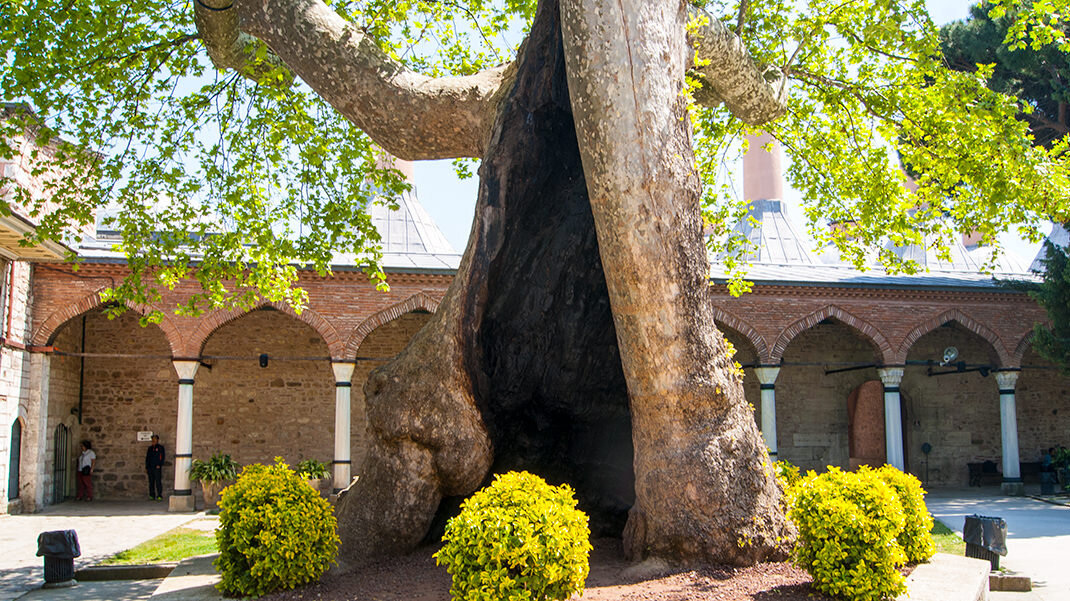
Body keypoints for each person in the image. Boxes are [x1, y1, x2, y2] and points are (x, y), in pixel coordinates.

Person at [145, 434, 165, 501]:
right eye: (153, 439)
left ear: (157, 440)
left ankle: (159, 495)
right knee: (151, 482)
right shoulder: (150, 448)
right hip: (150, 467)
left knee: (158, 481)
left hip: (157, 467)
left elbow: (162, 457)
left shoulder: (160, 448)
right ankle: (152, 495)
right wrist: (147, 467)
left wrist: (159, 464)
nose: (154, 440)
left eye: (155, 439)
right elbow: (147, 458)